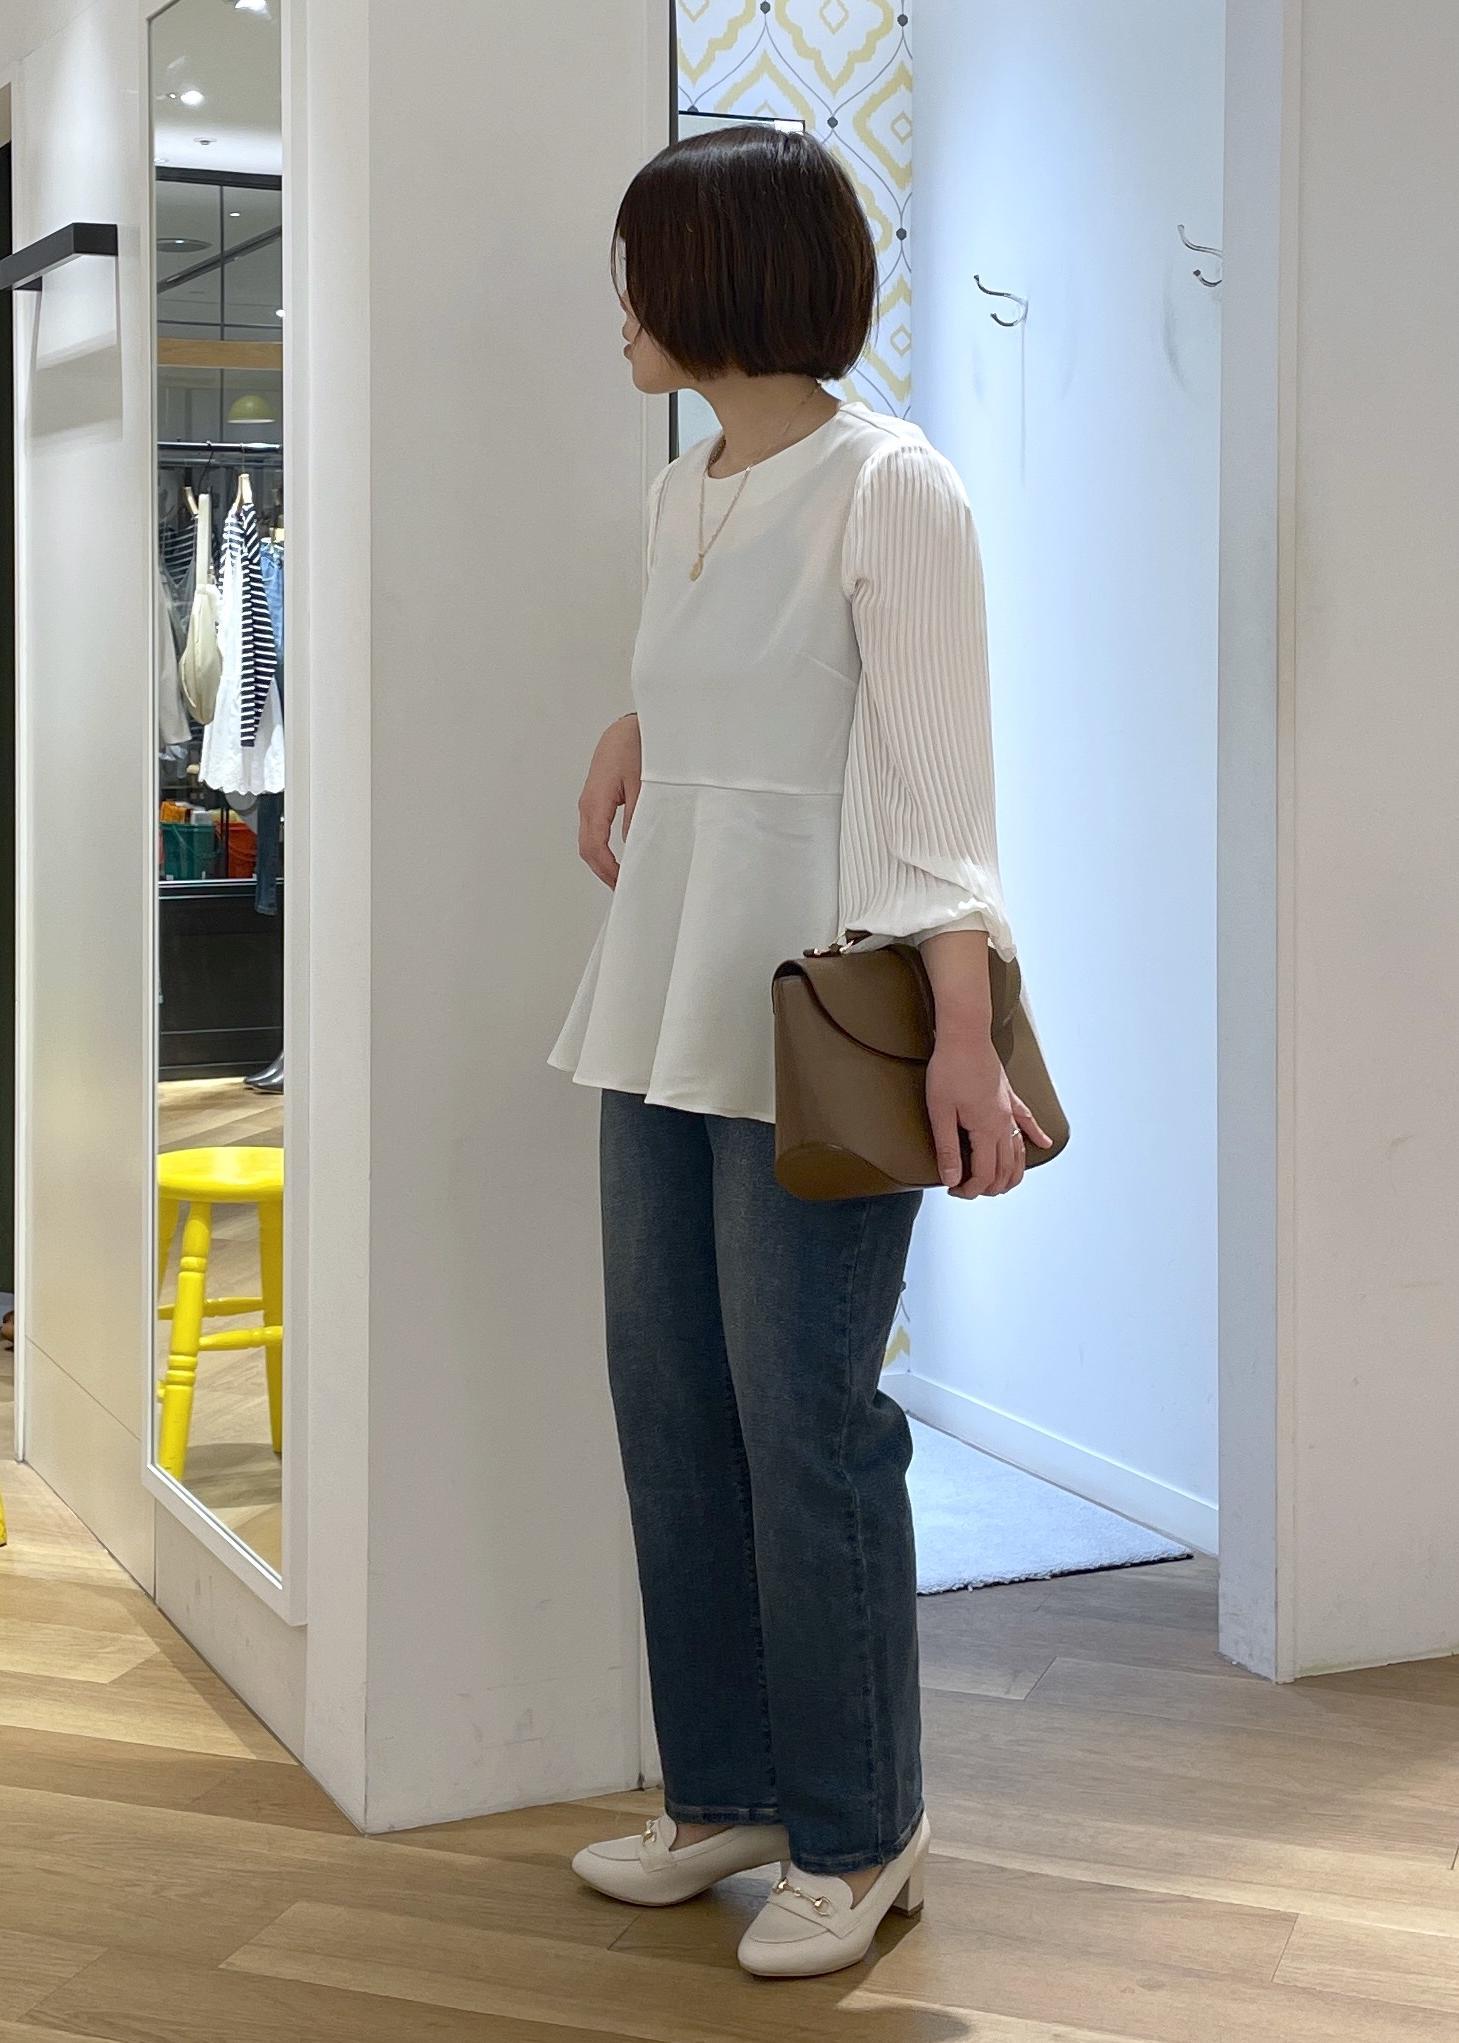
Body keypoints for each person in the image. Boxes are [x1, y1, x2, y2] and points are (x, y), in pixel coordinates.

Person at [549, 124, 1052, 1981]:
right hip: (659, 997)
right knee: (672, 1410)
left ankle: (860, 1829)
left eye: (638, 276)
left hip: (823, 1020)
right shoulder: (686, 491)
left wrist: (964, 1040)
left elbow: (936, 793)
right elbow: (752, 699)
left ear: (721, 280)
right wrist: (640, 723)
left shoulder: (889, 486)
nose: (620, 311)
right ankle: (727, 1793)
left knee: (808, 1426)